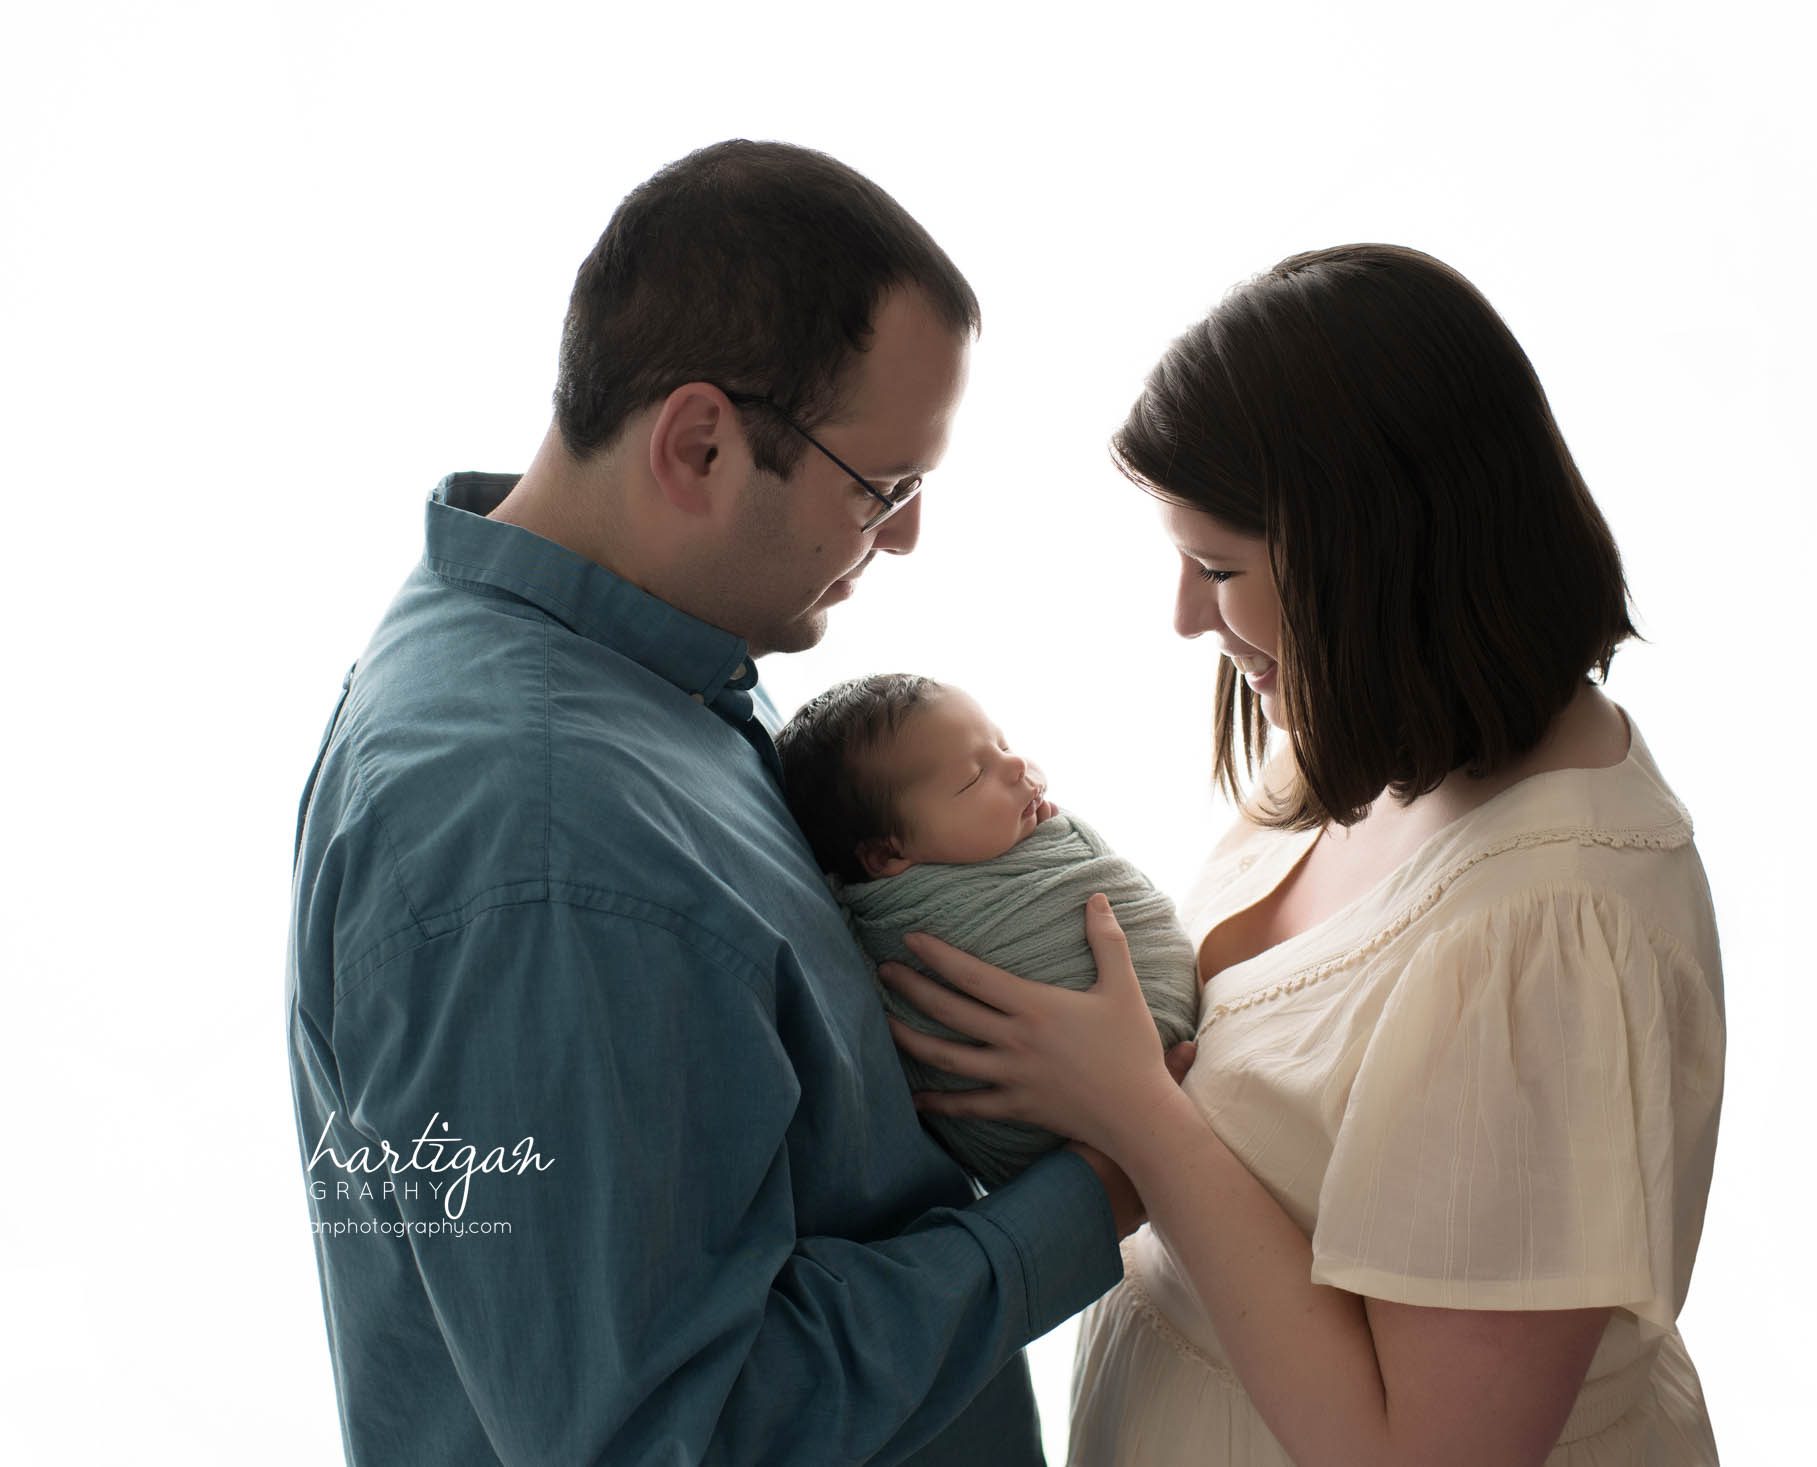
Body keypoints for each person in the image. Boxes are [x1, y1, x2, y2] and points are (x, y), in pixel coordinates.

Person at [286, 140, 1145, 1467]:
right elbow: (674, 1430)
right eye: (883, 488)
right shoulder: (541, 834)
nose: (904, 536)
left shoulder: (618, 663)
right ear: (699, 441)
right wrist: (1088, 1196)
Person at [882, 245, 1727, 1465]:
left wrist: (1133, 1111)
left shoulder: (1546, 928)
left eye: (1218, 568)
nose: (1183, 616)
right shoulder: (1363, 740)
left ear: (1377, 552)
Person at [774, 674, 1200, 1188]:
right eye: (975, 778)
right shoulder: (895, 926)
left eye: (1002, 745)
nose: (1018, 765)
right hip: (1053, 1142)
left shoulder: (1026, 842)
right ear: (888, 854)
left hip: (1128, 1091)